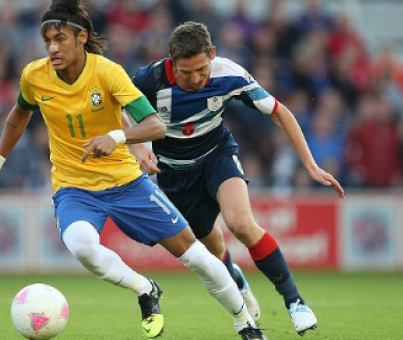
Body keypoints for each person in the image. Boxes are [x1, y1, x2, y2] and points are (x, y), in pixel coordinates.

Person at [0, 2, 267, 340]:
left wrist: (116, 137)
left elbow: (155, 126)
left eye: (59, 39)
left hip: (128, 184)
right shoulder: (34, 76)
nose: (52, 48)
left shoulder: (108, 73)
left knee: (197, 257)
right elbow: (18, 116)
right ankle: (145, 289)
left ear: (81, 36)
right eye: (47, 41)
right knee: (81, 245)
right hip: (74, 187)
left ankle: (245, 322)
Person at [128, 21, 346, 336]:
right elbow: (116, 107)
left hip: (217, 155)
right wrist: (136, 145)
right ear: (172, 62)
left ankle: (295, 303)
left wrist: (310, 164)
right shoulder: (149, 79)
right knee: (213, 250)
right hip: (173, 173)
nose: (196, 79)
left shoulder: (228, 73)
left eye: (201, 69)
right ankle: (237, 280)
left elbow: (278, 111)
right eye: (186, 72)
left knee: (241, 224)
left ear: (212, 54)